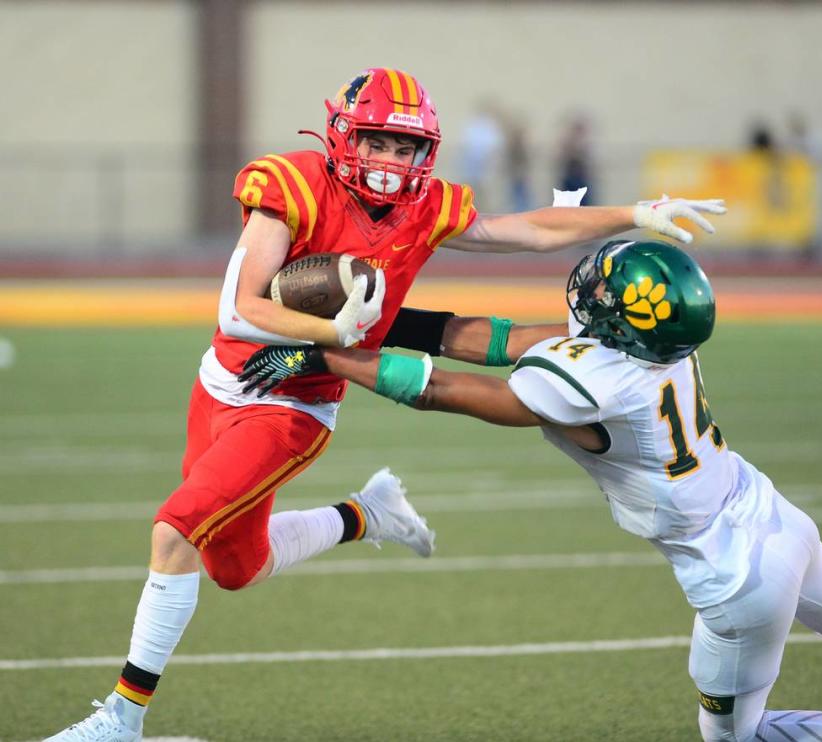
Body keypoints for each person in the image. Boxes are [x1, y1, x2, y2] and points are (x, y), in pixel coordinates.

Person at [47, 66, 726, 741]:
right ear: (344, 135)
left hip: (295, 406)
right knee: (234, 567)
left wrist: (637, 213)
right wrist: (331, 327)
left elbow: (524, 230)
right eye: (377, 142)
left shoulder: (423, 209)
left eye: (405, 148)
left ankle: (120, 720)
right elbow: (239, 308)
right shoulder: (292, 184)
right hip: (224, 379)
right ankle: (367, 514)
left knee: (175, 531)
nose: (390, 161)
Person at [242, 239, 822, 742]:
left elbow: (448, 392)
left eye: (607, 290)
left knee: (738, 736)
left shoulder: (594, 379)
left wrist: (328, 353)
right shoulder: (655, 344)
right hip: (769, 512)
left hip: (735, 577)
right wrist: (378, 321)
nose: (593, 291)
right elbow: (496, 338)